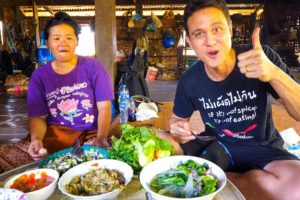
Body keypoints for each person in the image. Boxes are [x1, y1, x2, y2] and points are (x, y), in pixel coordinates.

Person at [169, 0, 300, 199]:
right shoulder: (189, 80)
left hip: (263, 149)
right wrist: (178, 129)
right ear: (189, 41)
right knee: (161, 139)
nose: (210, 41)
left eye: (217, 29)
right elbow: (177, 122)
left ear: (230, 29)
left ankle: (228, 183)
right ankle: (247, 184)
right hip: (218, 148)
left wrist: (274, 74)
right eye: (199, 34)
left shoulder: (259, 57)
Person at [27, 12, 114, 159]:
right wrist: (36, 139)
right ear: (47, 43)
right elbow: (39, 117)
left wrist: (101, 137)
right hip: (57, 133)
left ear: (76, 41)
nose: (63, 43)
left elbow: (104, 107)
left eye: (69, 38)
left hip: (92, 131)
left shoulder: (93, 67)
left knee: (103, 157)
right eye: (56, 38)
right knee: (24, 156)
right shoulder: (39, 76)